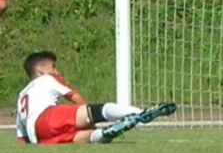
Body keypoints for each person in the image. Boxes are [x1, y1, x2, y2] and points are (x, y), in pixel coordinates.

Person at [16, 51, 177, 145]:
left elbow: (22, 138)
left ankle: (106, 133)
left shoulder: (22, 94)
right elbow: (75, 98)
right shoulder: (48, 78)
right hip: (48, 117)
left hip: (40, 136)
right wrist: (89, 118)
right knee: (99, 111)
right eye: (53, 67)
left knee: (83, 138)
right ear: (40, 71)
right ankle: (141, 113)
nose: (56, 71)